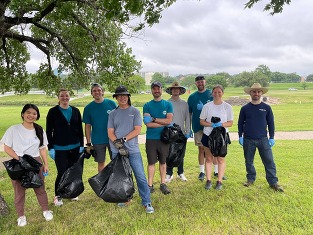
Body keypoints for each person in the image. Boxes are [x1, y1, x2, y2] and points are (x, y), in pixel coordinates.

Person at [1, 104, 53, 226]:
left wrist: (45, 164)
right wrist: (19, 159)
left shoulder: (39, 130)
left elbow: (42, 149)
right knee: (19, 191)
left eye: (34, 113)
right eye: (28, 112)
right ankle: (21, 216)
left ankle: (45, 210)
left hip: (35, 162)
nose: (31, 115)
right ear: (23, 114)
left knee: (40, 187)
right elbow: (6, 148)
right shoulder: (13, 129)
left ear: (37, 116)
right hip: (18, 162)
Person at [107, 85, 154, 213]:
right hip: (117, 151)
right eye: (120, 95)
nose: (122, 98)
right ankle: (125, 198)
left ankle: (146, 201)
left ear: (128, 97)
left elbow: (137, 130)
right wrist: (117, 143)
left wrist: (123, 140)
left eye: (125, 95)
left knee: (140, 176)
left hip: (132, 150)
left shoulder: (135, 111)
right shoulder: (112, 114)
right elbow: (110, 132)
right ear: (116, 98)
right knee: (122, 176)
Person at [238, 83, 284, 192]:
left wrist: (271, 137)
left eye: (259, 91)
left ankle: (273, 182)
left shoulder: (266, 108)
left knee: (269, 161)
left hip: (263, 139)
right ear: (250, 93)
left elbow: (271, 123)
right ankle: (250, 179)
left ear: (261, 93)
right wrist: (240, 136)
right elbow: (240, 123)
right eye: (254, 91)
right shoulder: (245, 108)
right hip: (248, 139)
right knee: (249, 161)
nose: (256, 93)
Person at [46, 88, 84, 206]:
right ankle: (58, 195)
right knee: (61, 172)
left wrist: (82, 145)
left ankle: (72, 193)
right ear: (58, 98)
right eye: (62, 96)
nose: (64, 98)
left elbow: (80, 130)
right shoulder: (53, 112)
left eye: (66, 96)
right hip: (59, 148)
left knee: (73, 171)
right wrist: (50, 147)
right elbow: (48, 131)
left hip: (75, 147)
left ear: (69, 97)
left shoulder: (76, 111)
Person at [199, 85, 233, 190]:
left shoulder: (227, 107)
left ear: (222, 93)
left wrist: (221, 124)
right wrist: (210, 124)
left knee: (220, 159)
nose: (217, 94)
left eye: (219, 92)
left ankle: (219, 181)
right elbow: (201, 121)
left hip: (222, 136)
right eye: (215, 92)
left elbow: (230, 123)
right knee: (208, 158)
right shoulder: (207, 106)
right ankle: (208, 180)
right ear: (212, 93)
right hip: (208, 135)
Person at [143, 81, 173, 195]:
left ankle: (163, 184)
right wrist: (163, 122)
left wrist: (154, 119)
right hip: (151, 138)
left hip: (164, 138)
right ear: (151, 90)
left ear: (161, 89)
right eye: (154, 89)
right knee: (151, 162)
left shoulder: (168, 104)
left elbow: (169, 120)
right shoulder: (147, 105)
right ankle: (150, 185)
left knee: (163, 162)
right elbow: (148, 124)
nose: (156, 90)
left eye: (158, 88)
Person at [83, 83, 117, 172]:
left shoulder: (111, 104)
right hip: (98, 140)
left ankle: (115, 183)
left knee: (116, 161)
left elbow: (118, 120)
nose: (97, 92)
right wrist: (89, 143)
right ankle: (102, 184)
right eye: (94, 91)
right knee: (101, 163)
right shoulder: (88, 108)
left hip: (112, 139)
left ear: (103, 92)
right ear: (92, 93)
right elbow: (87, 126)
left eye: (99, 90)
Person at [187, 75, 213, 181]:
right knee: (201, 149)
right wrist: (188, 128)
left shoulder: (211, 94)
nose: (200, 84)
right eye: (198, 82)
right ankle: (202, 172)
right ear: (196, 84)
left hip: (211, 127)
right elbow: (189, 113)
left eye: (202, 82)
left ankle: (215, 171)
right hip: (198, 127)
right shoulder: (192, 97)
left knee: (212, 149)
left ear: (205, 82)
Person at [165, 81, 192, 183]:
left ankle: (181, 173)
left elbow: (187, 118)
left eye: (177, 89)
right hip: (170, 131)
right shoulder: (167, 103)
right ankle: (169, 173)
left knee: (181, 153)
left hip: (181, 132)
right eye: (173, 89)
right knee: (170, 153)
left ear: (180, 91)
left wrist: (188, 130)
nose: (175, 90)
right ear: (171, 91)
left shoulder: (184, 104)